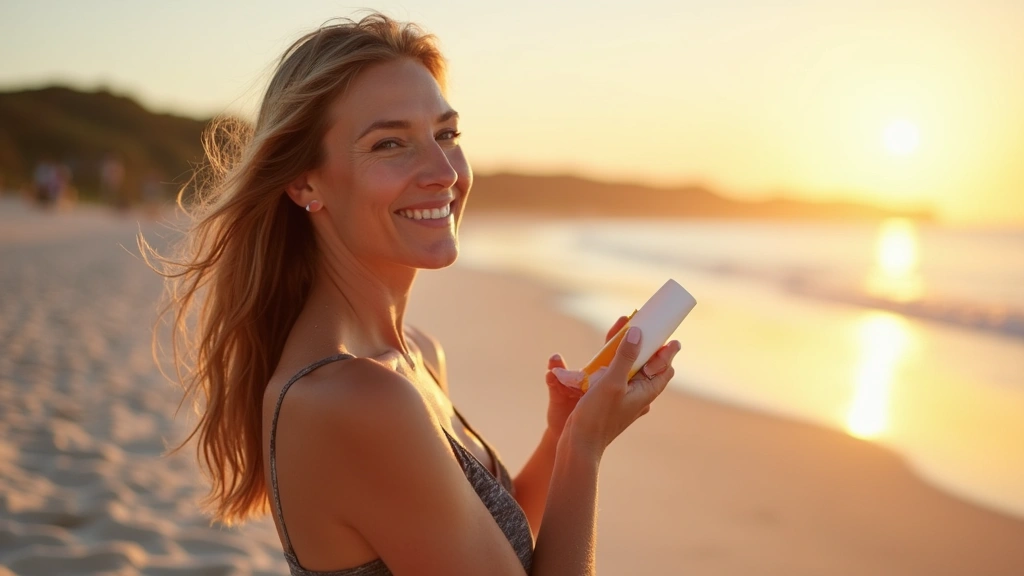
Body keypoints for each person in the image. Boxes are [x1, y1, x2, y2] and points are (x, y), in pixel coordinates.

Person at [145, 13, 680, 575]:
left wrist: (564, 432)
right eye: (390, 143)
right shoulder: (353, 398)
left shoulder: (414, 356)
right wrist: (584, 449)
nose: (443, 171)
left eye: (447, 134)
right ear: (304, 182)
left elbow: (490, 546)